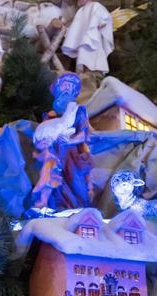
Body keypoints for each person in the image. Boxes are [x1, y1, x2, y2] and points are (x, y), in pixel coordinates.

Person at [30, 72, 93, 211]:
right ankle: (48, 205)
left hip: (72, 153)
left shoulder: (78, 111)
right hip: (52, 152)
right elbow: (42, 136)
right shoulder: (49, 116)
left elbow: (83, 133)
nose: (67, 89)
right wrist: (42, 144)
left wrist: (70, 141)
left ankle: (77, 209)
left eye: (71, 86)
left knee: (74, 181)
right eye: (64, 85)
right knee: (50, 178)